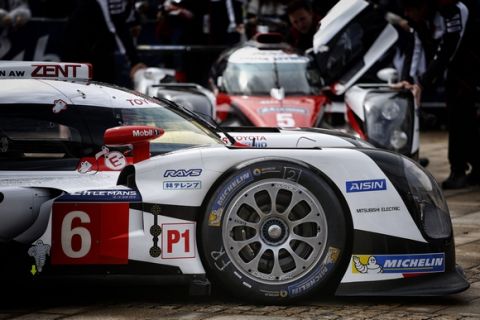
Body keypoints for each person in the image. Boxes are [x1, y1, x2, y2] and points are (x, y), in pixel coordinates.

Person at [61, 0, 146, 85]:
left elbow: (126, 21)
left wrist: (135, 21)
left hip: (101, 51)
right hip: (84, 51)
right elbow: (116, 27)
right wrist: (134, 61)